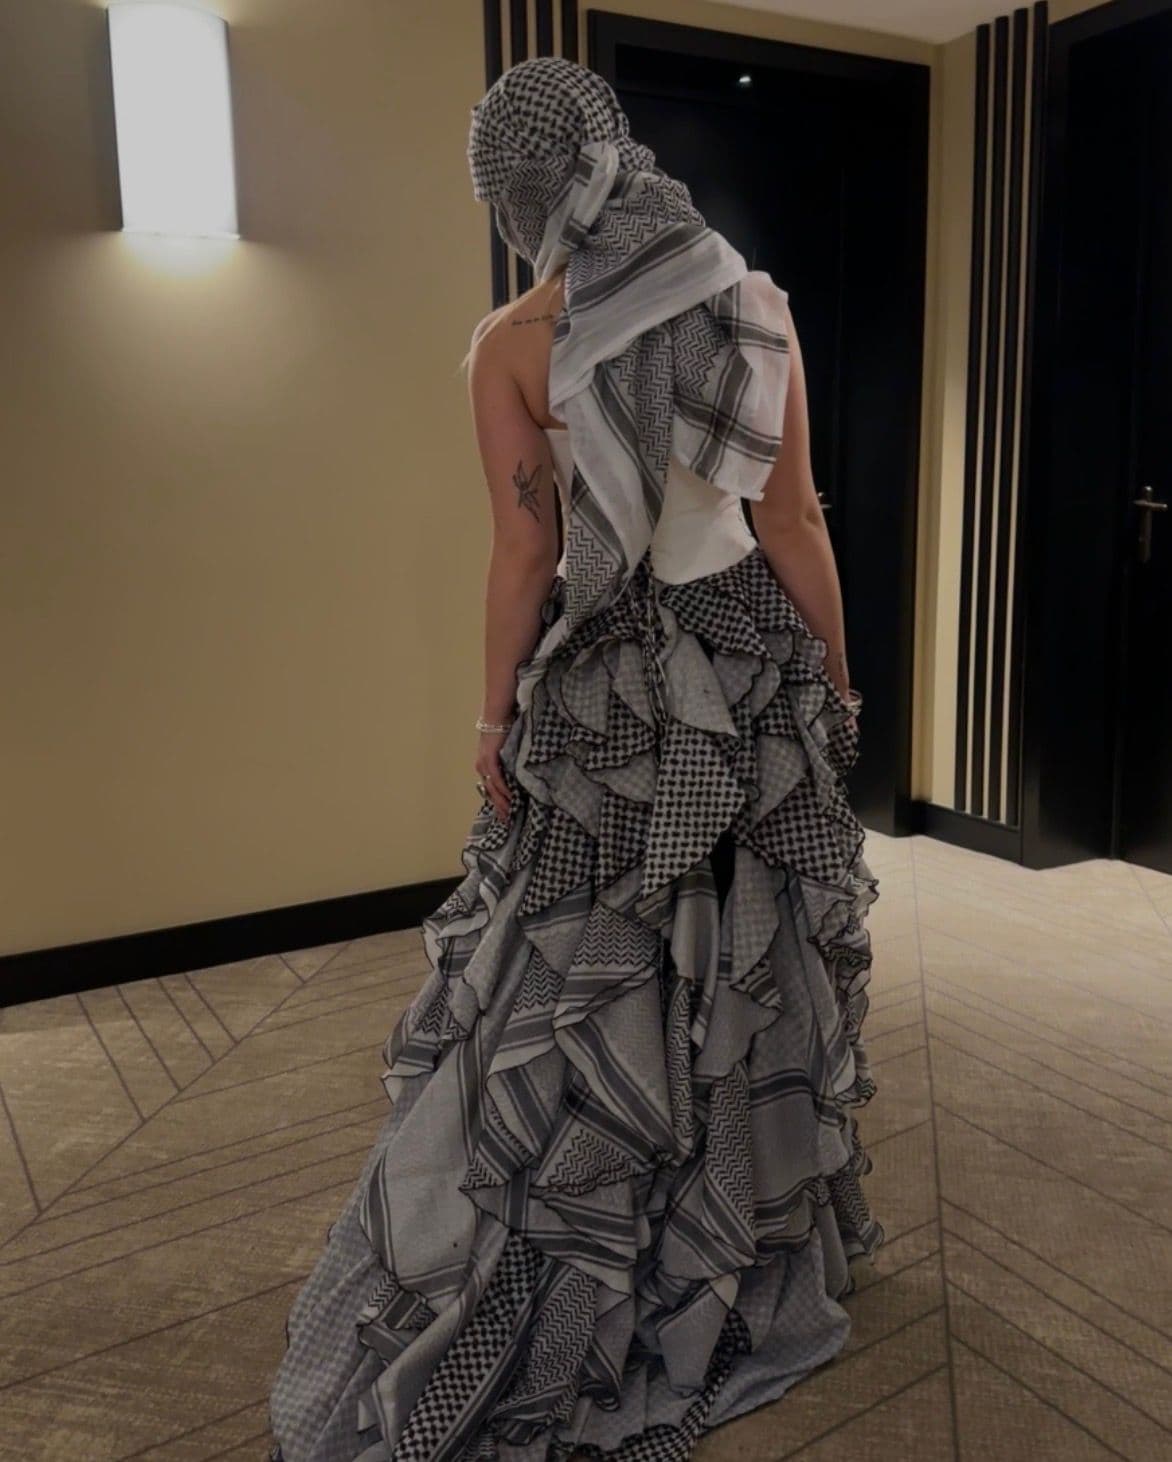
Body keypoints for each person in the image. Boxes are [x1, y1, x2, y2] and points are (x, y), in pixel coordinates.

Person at [268, 55, 883, 1462]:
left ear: (517, 196)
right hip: (740, 677)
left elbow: (526, 551)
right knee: (735, 961)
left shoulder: (510, 343)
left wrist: (492, 723)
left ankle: (581, 1221)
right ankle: (727, 1233)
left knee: (573, 970)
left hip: (604, 694)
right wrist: (834, 680)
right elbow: (792, 522)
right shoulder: (751, 300)